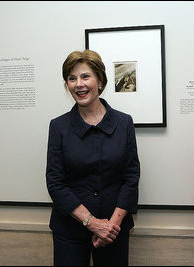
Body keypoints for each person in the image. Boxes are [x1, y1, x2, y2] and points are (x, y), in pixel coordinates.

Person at [46, 49, 140, 266]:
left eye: (85, 76)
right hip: (69, 230)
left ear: (100, 80)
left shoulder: (124, 123)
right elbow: (55, 182)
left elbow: (131, 176)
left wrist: (111, 226)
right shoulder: (58, 127)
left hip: (114, 230)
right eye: (72, 78)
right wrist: (92, 223)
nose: (79, 84)